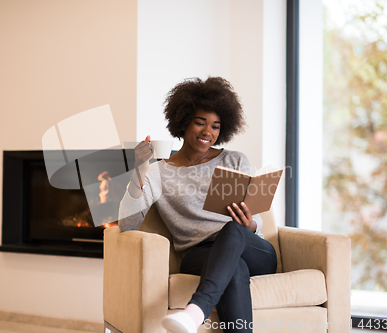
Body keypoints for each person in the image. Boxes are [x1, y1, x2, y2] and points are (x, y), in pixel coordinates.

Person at [118, 77, 277, 333]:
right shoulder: (158, 172)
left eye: (215, 126)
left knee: (232, 230)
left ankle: (195, 311)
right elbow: (127, 226)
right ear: (183, 122)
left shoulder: (236, 160)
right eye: (200, 122)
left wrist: (250, 223)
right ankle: (195, 314)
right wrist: (138, 172)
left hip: (252, 247)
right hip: (198, 254)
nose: (208, 132)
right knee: (233, 267)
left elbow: (255, 222)